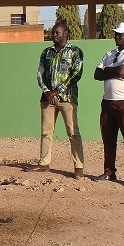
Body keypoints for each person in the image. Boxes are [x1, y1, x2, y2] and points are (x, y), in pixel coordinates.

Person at [30, 22, 84, 178]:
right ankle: (44, 163)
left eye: (57, 33)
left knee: (73, 132)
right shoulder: (46, 52)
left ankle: (78, 167)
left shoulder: (75, 52)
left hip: (67, 98)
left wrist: (57, 91)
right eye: (53, 32)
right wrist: (47, 92)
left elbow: (76, 74)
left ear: (66, 33)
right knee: (46, 132)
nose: (54, 35)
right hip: (47, 99)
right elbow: (40, 74)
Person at [94, 22, 124, 189]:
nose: (117, 36)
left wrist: (108, 71)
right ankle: (109, 172)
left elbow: (123, 72)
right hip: (107, 102)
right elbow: (96, 74)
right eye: (116, 33)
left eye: (120, 34)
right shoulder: (109, 54)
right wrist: (115, 72)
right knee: (108, 139)